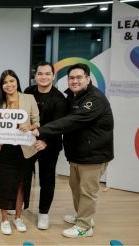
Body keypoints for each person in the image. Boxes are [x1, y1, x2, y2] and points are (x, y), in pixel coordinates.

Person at [32, 63, 114, 238]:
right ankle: (83, 217)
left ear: (88, 78)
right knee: (76, 188)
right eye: (71, 78)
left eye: (79, 77)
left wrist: (41, 131)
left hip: (94, 154)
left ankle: (84, 226)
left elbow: (71, 121)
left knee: (87, 191)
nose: (75, 81)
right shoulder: (73, 97)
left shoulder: (94, 99)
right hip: (77, 154)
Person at [0, 69, 45, 235]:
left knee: (22, 184)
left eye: (11, 81)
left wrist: (28, 126)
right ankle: (4, 220)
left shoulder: (29, 98)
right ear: (2, 86)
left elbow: (37, 122)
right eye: (5, 82)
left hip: (25, 150)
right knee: (4, 184)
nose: (9, 85)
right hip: (5, 149)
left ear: (17, 82)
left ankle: (18, 217)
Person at [24, 62, 68, 230]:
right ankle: (22, 206)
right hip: (27, 142)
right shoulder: (28, 92)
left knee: (46, 180)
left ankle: (43, 213)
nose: (43, 77)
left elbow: (60, 125)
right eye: (40, 74)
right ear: (35, 76)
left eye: (47, 74)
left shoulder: (59, 99)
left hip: (48, 145)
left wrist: (46, 141)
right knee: (24, 176)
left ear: (53, 76)